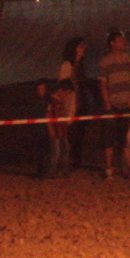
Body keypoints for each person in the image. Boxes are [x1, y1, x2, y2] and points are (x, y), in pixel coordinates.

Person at [38, 37, 83, 179]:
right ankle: (52, 171)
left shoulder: (79, 65)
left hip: (70, 108)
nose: (83, 49)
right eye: (80, 47)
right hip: (63, 109)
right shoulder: (67, 66)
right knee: (57, 147)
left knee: (65, 144)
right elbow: (64, 88)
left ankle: (65, 168)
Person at [98, 30, 130, 180]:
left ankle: (128, 168)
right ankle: (109, 168)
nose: (124, 43)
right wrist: (107, 104)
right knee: (109, 138)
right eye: (120, 40)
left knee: (127, 139)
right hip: (112, 104)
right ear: (112, 43)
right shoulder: (105, 61)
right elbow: (103, 84)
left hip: (126, 104)